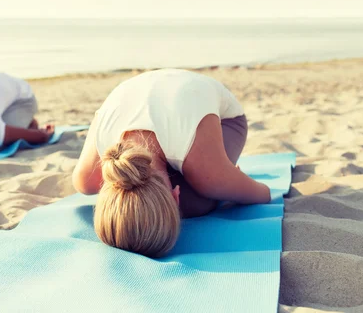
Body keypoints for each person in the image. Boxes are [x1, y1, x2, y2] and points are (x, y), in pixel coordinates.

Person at [72, 69, 270, 257]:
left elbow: (263, 193)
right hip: (156, 89)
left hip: (226, 119)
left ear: (175, 197)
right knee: (199, 191)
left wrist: (229, 181)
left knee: (195, 203)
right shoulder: (88, 177)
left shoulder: (208, 171)